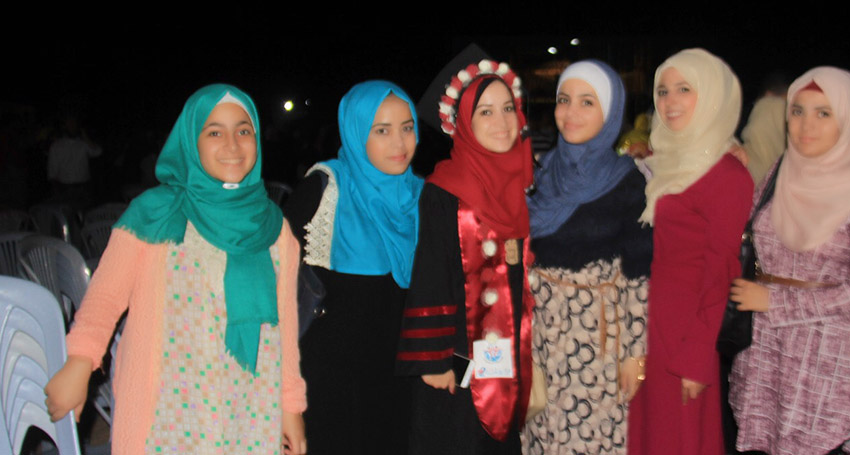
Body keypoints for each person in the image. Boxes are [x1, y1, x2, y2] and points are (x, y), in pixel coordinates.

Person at [43, 84, 307, 455]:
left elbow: (284, 327)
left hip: (250, 405)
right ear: (190, 140)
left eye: (243, 131)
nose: (232, 144)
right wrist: (80, 361)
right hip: (170, 409)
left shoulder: (273, 228)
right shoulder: (155, 212)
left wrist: (290, 408)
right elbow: (105, 296)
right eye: (214, 132)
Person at [729, 67, 850, 455]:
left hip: (826, 359)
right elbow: (747, 231)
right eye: (797, 111)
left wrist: (775, 301)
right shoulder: (779, 173)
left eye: (823, 113)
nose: (806, 125)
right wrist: (730, 167)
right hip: (767, 352)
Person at [396, 60, 534, 454]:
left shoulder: (525, 184)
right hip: (458, 358)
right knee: (458, 438)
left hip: (514, 353)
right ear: (464, 124)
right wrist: (433, 359)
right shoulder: (444, 190)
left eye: (507, 108)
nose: (501, 121)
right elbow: (430, 275)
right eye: (485, 112)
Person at [283, 80, 423, 454]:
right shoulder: (324, 191)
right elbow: (275, 287)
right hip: (328, 383)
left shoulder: (422, 198)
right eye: (382, 131)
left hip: (397, 383)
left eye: (407, 127)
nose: (399, 143)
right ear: (356, 131)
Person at [522, 60, 652, 455]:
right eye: (564, 100)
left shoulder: (628, 181)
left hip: (597, 337)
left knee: (591, 438)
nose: (571, 112)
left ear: (610, 111)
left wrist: (635, 355)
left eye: (587, 102)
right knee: (541, 432)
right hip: (542, 332)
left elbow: (639, 274)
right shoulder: (542, 173)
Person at [627, 48, 753, 455]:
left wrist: (697, 357)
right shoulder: (664, 162)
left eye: (684, 89)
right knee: (646, 435)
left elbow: (722, 271)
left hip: (685, 330)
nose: (670, 101)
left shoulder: (727, 174)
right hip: (647, 322)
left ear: (712, 95)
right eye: (662, 91)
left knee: (676, 438)